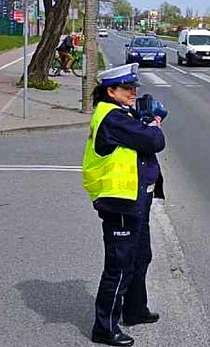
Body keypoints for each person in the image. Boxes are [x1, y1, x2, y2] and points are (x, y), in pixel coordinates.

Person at [82, 63, 165, 346]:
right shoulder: (113, 118)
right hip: (119, 202)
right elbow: (154, 141)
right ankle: (104, 327)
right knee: (119, 266)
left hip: (135, 200)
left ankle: (134, 309)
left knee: (141, 257)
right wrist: (153, 126)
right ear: (111, 91)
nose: (133, 93)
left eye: (134, 88)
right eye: (128, 89)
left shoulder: (122, 114)